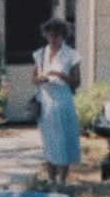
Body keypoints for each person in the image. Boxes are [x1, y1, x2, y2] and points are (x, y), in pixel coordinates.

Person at [32, 16, 82, 185]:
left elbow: (77, 81)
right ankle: (51, 178)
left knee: (63, 137)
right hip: (45, 98)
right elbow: (34, 77)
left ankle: (62, 179)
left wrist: (60, 75)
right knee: (49, 138)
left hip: (62, 98)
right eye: (49, 35)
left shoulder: (70, 54)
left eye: (55, 35)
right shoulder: (42, 53)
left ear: (62, 35)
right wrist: (40, 79)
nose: (52, 39)